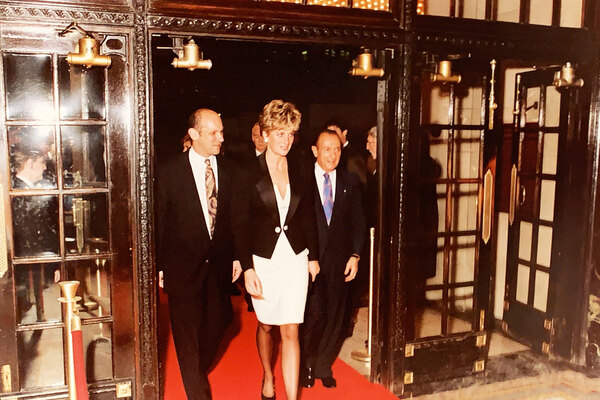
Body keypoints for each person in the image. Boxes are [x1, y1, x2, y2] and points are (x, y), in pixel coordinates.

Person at [233, 100, 320, 400]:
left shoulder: (300, 166)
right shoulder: (247, 171)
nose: (286, 140)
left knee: (291, 329)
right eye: (280, 133)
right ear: (266, 133)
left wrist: (314, 256)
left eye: (291, 134)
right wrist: (247, 267)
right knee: (267, 324)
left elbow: (308, 212)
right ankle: (268, 375)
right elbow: (239, 223)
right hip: (264, 259)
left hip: (295, 257)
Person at [155, 108, 242, 400]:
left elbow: (235, 221)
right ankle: (197, 392)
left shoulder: (229, 171)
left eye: (221, 131)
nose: (221, 137)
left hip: (219, 266)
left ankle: (196, 369)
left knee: (221, 321)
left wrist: (239, 258)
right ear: (193, 135)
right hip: (182, 267)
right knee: (186, 333)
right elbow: (160, 221)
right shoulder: (168, 172)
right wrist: (158, 265)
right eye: (213, 132)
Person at [301, 129, 366, 389]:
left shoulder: (350, 181)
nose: (333, 155)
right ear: (315, 151)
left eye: (337, 149)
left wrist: (355, 255)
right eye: (327, 149)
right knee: (314, 315)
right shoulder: (302, 180)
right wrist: (307, 256)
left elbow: (358, 222)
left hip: (340, 261)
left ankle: (324, 365)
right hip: (311, 261)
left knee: (336, 317)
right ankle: (306, 364)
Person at [326, 119, 367, 187]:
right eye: (328, 133)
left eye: (334, 132)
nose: (331, 137)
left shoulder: (353, 157)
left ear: (344, 133)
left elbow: (361, 186)